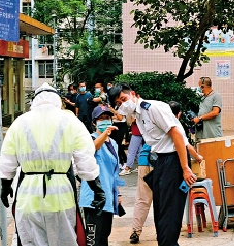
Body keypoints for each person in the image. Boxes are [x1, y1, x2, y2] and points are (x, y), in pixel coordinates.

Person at [0, 82, 104, 246]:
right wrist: (97, 189)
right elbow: (85, 159)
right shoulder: (70, 121)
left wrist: (5, 186)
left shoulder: (20, 122)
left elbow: (7, 160)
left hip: (28, 197)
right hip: (61, 198)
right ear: (57, 101)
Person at [108, 84, 196, 246]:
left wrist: (185, 168)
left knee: (169, 214)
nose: (122, 104)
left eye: (123, 99)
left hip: (174, 160)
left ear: (133, 94)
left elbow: (177, 135)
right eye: (119, 104)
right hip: (162, 161)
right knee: (161, 212)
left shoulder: (153, 108)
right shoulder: (138, 115)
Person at [81, 105, 124, 246]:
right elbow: (91, 150)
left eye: (107, 118)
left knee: (104, 235)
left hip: (108, 197)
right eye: (101, 119)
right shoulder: (89, 139)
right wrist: (104, 134)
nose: (105, 121)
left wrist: (118, 193)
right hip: (93, 198)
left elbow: (114, 171)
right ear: (94, 123)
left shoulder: (113, 144)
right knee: (93, 239)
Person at [129, 142, 152, 244]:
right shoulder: (170, 126)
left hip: (144, 159)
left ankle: (135, 231)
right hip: (160, 160)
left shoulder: (147, 125)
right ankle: (162, 232)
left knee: (142, 198)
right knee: (162, 200)